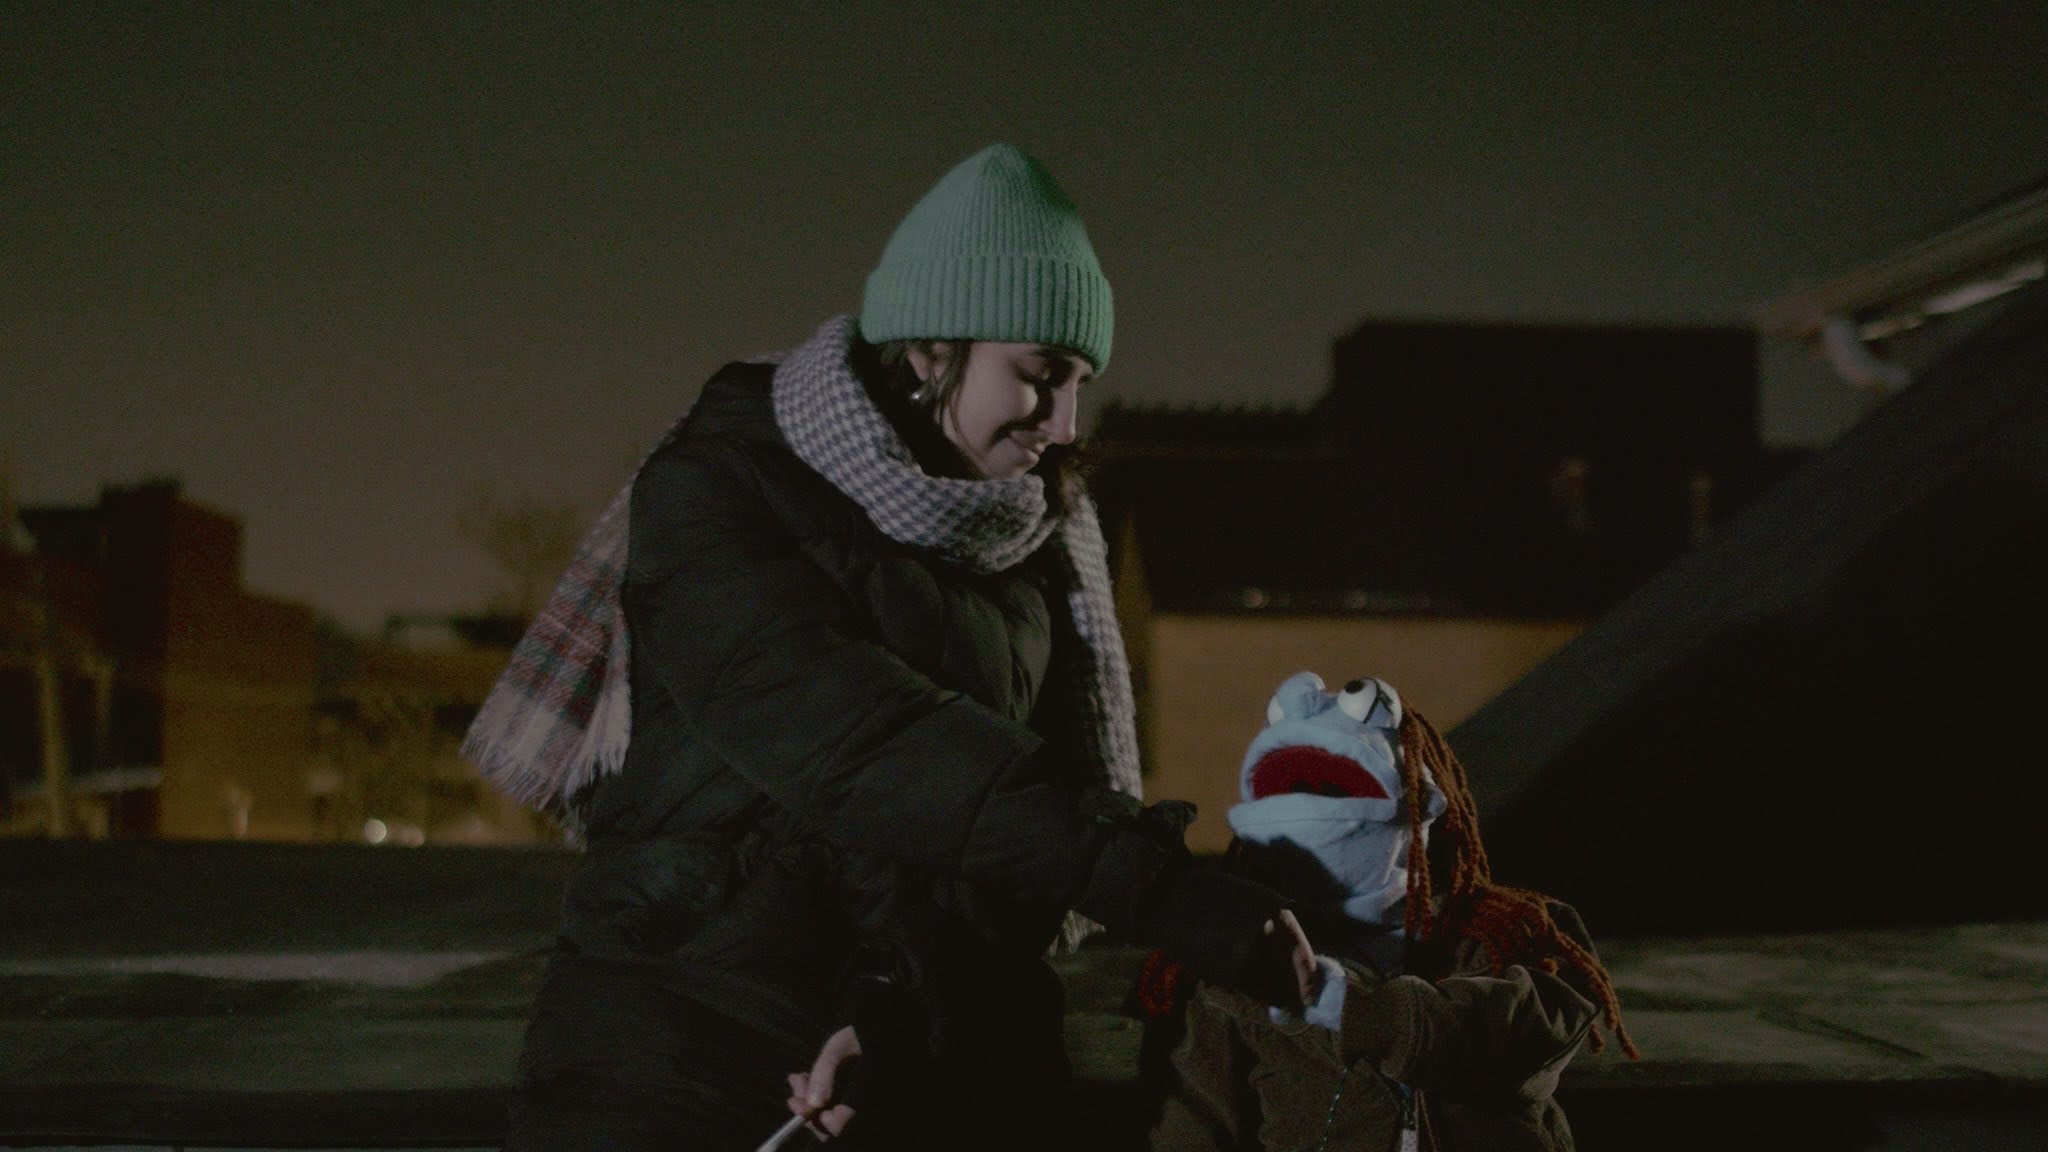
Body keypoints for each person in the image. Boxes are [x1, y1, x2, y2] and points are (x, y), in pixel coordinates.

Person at [463, 143, 1311, 1151]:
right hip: (685, 1040)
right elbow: (863, 747)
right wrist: (1158, 885)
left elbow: (995, 835)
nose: (1062, 421)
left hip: (933, 1042)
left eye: (1079, 381)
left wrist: (890, 1006)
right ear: (925, 351)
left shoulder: (1032, 546)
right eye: (1038, 376)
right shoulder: (713, 491)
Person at [1146, 672, 1636, 1152]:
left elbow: (1517, 1040)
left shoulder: (1506, 935)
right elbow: (1199, 1121)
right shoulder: (1241, 968)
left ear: (1425, 802)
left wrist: (1356, 1009)